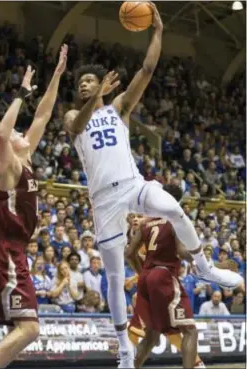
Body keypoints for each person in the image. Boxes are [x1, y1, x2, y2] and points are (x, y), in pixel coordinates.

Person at [64, 3, 242, 366]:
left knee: (174, 209)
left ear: (101, 84)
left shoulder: (119, 108)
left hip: (132, 184)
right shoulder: (73, 115)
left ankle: (205, 268)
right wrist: (95, 99)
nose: (83, 84)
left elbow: (147, 69)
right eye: (80, 83)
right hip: (104, 201)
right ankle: (123, 351)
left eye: (89, 80)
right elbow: (77, 126)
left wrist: (158, 32)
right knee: (114, 277)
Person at [0, 45, 68, 369]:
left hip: (12, 250)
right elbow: (2, 135)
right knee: (29, 328)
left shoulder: (24, 159)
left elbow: (43, 114)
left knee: (25, 327)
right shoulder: (7, 168)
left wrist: (57, 76)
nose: (21, 133)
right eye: (19, 132)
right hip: (5, 250)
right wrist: (21, 92)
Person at [125, 184, 204, 368]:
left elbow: (129, 253)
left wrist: (142, 273)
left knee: (152, 334)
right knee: (190, 330)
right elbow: (181, 251)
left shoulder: (147, 222)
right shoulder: (174, 218)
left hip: (146, 278)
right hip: (164, 276)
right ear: (177, 200)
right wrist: (200, 258)